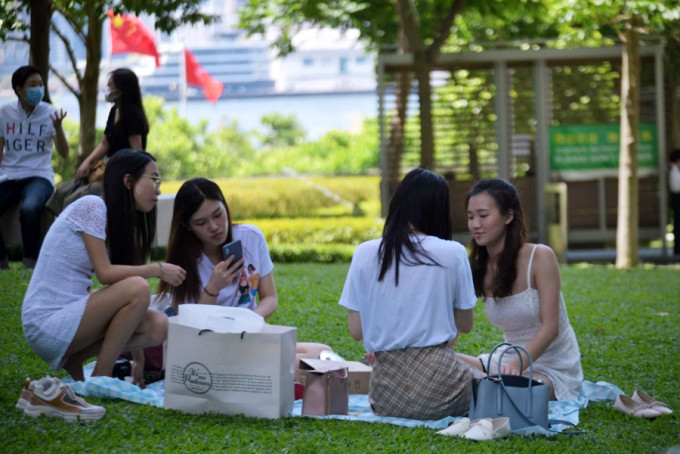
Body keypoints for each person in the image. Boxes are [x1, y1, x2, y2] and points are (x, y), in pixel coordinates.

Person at [21, 149, 186, 388]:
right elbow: (105, 273)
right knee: (139, 287)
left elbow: (124, 295)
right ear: (128, 181)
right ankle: (102, 375)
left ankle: (76, 360)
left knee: (158, 326)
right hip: (47, 321)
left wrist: (139, 360)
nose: (158, 189)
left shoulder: (116, 223)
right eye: (154, 179)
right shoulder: (93, 206)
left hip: (72, 319)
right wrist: (158, 269)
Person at [338, 168, 483, 420]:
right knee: (501, 389)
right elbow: (466, 325)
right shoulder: (453, 252)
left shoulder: (364, 252)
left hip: (386, 397)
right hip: (443, 386)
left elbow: (356, 331)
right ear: (439, 209)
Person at [156, 177, 332, 363]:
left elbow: (270, 298)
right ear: (188, 226)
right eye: (201, 223)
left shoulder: (251, 237)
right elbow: (191, 326)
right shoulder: (184, 261)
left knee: (323, 353)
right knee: (296, 365)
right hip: (208, 345)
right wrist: (213, 288)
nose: (214, 226)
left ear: (225, 206)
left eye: (218, 214)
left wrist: (247, 323)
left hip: (250, 335)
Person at [457, 178, 583, 401]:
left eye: (483, 216)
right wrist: (431, 352)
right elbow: (455, 325)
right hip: (505, 362)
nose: (475, 224)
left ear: (508, 216)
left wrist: (517, 365)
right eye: (470, 217)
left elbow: (551, 326)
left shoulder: (540, 257)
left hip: (551, 367)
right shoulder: (476, 267)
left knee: (508, 394)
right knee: (437, 359)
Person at [0, 65, 69, 270]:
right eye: (32, 85)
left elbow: (64, 153)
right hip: (9, 175)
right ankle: (1, 262)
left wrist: (58, 128)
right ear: (19, 90)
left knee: (30, 209)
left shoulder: (52, 113)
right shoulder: (4, 113)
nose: (38, 89)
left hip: (39, 175)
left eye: (40, 84)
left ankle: (31, 263)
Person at [75, 68, 149, 179]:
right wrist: (87, 162)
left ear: (121, 90)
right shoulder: (115, 109)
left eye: (110, 86)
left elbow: (137, 151)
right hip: (111, 168)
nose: (107, 89)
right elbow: (104, 143)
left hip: (122, 173)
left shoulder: (132, 115)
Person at [669, 149, 680, 256]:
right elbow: (675, 187)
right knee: (677, 225)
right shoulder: (673, 169)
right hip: (677, 200)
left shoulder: (675, 169)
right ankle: (677, 249)